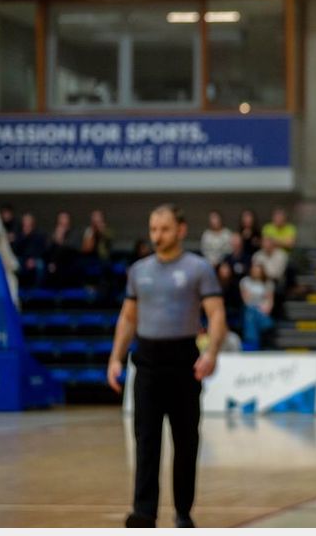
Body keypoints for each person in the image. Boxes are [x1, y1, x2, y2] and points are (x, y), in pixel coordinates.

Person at [106, 204, 226, 528]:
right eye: (153, 229)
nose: (157, 236)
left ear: (181, 230)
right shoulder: (138, 271)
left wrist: (212, 352)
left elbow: (216, 313)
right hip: (147, 363)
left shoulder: (198, 268)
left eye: (165, 229)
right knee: (146, 440)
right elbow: (128, 317)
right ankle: (144, 511)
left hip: (184, 362)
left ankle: (183, 512)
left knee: (185, 441)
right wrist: (116, 357)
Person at [239, 262, 275, 351]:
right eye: (254, 271)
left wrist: (264, 308)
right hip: (249, 308)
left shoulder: (268, 283)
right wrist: (256, 307)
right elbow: (246, 301)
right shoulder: (245, 281)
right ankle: (255, 343)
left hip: (262, 310)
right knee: (251, 312)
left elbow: (270, 300)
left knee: (252, 316)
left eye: (258, 271)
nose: (256, 273)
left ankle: (252, 344)